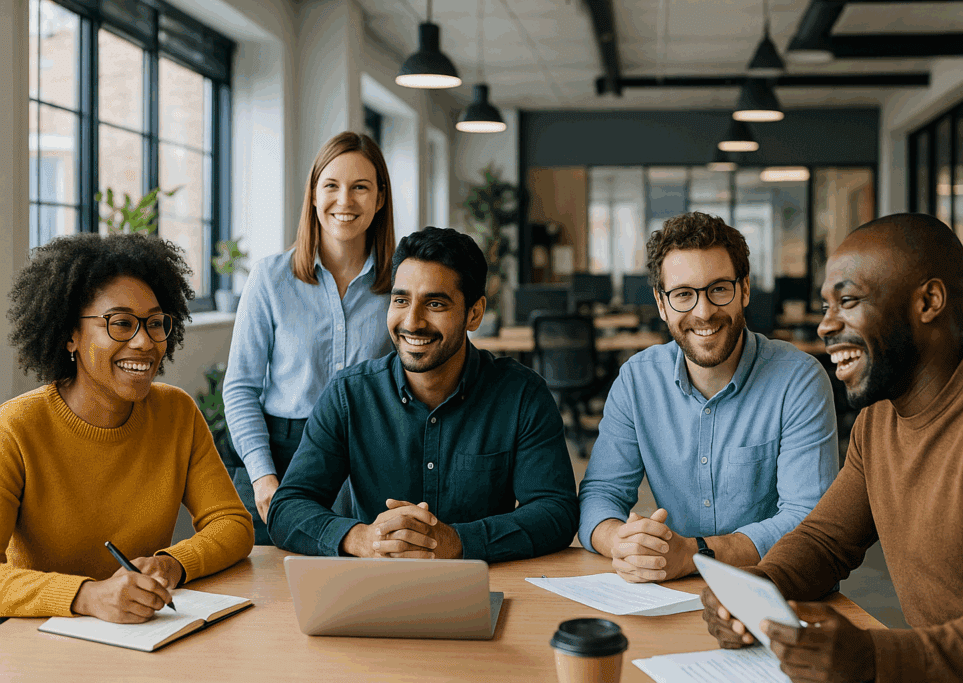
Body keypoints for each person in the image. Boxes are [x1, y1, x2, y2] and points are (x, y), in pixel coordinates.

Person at [700, 213, 963, 683]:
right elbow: (825, 541)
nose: (826, 326)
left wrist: (873, 656)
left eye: (847, 301)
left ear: (929, 301)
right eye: (827, 305)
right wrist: (759, 587)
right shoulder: (879, 420)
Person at [267, 227, 579, 562]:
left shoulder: (522, 395)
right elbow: (286, 509)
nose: (412, 322)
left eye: (435, 303)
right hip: (373, 587)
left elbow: (556, 511)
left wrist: (457, 541)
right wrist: (363, 539)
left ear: (474, 313)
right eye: (401, 300)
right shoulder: (349, 395)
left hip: (482, 586)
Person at [0, 233, 254, 622]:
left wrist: (171, 564)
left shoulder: (177, 412)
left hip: (144, 635)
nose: (144, 342)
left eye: (155, 323)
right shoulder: (16, 428)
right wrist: (87, 596)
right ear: (70, 334)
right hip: (43, 644)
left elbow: (232, 524)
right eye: (120, 323)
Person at [578, 211, 839, 583]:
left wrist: (697, 554)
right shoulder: (638, 380)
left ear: (744, 290)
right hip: (677, 591)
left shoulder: (799, 380)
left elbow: (809, 518)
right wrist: (620, 541)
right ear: (661, 303)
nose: (703, 312)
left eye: (719, 289)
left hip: (778, 587)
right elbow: (600, 494)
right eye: (683, 294)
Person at [223, 132, 395, 545]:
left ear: (380, 198)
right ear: (314, 195)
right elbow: (241, 386)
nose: (345, 201)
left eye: (360, 187)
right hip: (283, 455)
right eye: (331, 186)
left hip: (370, 452)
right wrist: (263, 477)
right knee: (272, 591)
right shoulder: (270, 278)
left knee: (365, 584)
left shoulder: (399, 283)